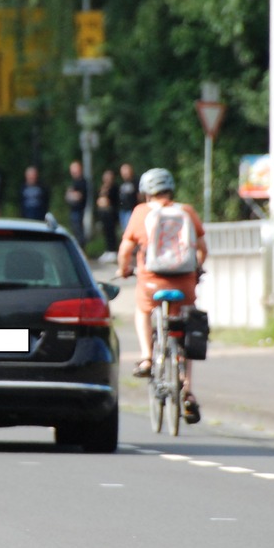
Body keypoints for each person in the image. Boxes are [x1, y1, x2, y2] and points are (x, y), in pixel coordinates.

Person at [117, 167, 208, 424]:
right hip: (184, 284)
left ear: (146, 192)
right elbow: (202, 249)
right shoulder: (186, 212)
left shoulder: (141, 213)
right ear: (171, 190)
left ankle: (147, 357)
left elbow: (126, 250)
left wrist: (124, 269)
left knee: (143, 310)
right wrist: (197, 269)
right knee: (185, 331)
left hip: (151, 284)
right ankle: (187, 389)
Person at [95, 168, 120, 261]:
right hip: (103, 213)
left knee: (111, 232)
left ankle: (113, 250)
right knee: (105, 231)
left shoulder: (114, 188)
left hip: (111, 213)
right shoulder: (102, 187)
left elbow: (109, 201)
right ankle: (108, 250)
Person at [64, 160, 88, 247]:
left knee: (79, 231)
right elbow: (67, 196)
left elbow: (78, 196)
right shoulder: (73, 182)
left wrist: (71, 195)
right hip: (73, 210)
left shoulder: (82, 182)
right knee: (74, 230)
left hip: (79, 210)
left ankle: (81, 248)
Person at [117, 163, 139, 232]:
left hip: (132, 209)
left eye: (126, 170)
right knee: (125, 230)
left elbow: (140, 196)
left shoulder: (136, 182)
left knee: (131, 230)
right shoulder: (122, 184)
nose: (124, 173)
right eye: (123, 171)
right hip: (123, 210)